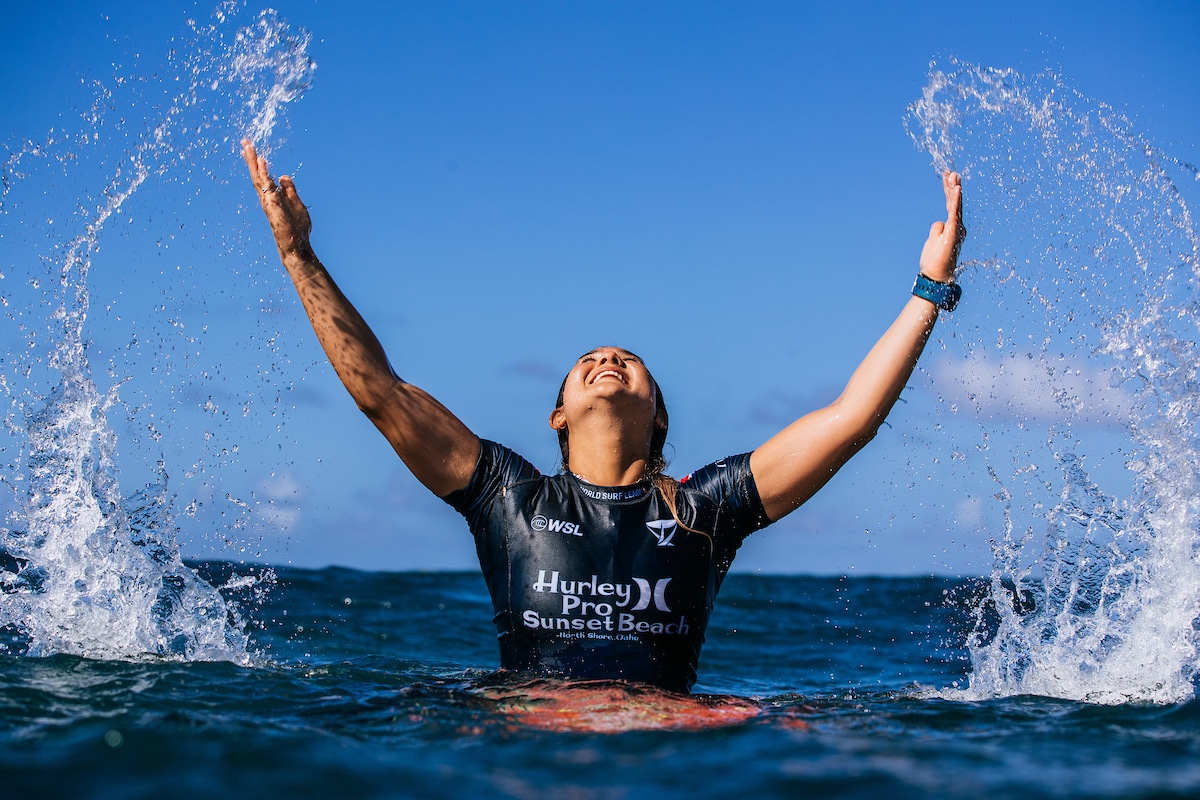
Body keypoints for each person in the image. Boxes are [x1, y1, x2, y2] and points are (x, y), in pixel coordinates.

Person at [242, 139, 964, 694]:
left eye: (628, 358)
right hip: (531, 735)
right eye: (588, 359)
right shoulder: (508, 497)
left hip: (665, 743)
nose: (608, 358)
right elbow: (384, 395)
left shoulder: (703, 508)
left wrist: (930, 287)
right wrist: (298, 256)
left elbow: (851, 419)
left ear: (657, 414)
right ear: (558, 415)